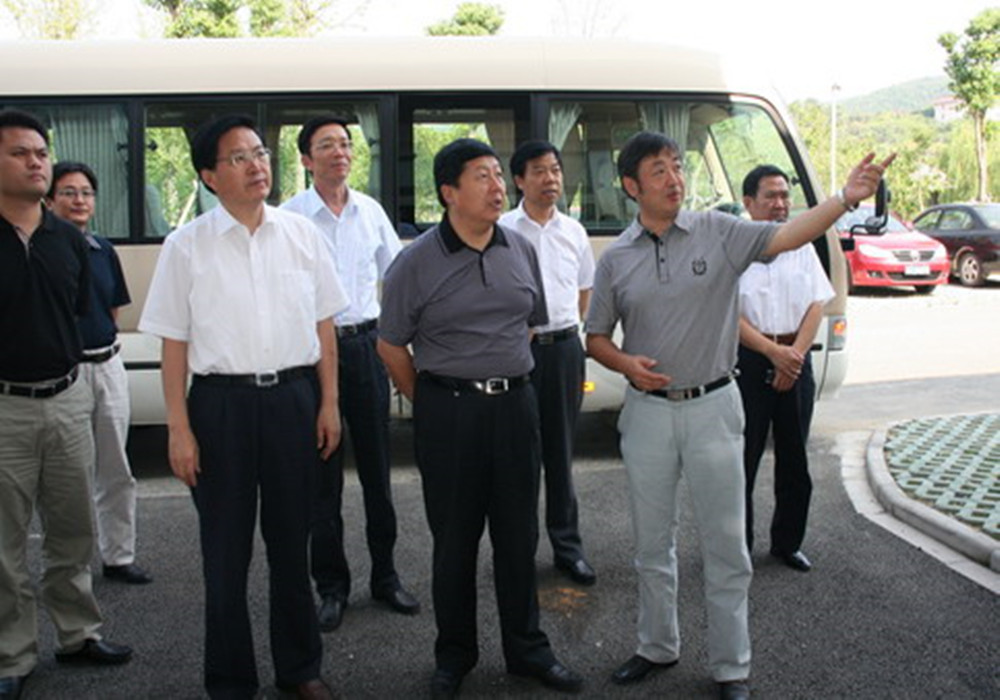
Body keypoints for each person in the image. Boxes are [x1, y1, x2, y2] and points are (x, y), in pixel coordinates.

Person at [585, 131, 892, 700]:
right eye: (658, 170)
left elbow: (788, 234)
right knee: (652, 545)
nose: (674, 178)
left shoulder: (718, 231)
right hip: (648, 415)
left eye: (677, 166)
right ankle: (657, 645)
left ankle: (732, 666)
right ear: (631, 186)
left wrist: (844, 199)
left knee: (726, 546)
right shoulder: (618, 259)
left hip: (714, 407)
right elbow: (595, 337)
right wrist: (626, 364)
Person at [139, 114, 347, 700]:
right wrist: (178, 428)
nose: (257, 165)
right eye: (239, 157)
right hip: (220, 408)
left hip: (292, 401)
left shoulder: (302, 234)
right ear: (209, 176)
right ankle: (231, 681)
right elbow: (174, 345)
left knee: (291, 546)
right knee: (225, 555)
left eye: (259, 153)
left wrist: (329, 403)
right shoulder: (186, 246)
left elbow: (324, 325)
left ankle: (300, 669)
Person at [377, 139, 584, 698]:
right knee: (455, 542)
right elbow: (391, 344)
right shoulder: (415, 262)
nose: (497, 187)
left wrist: (501, 378)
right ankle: (454, 657)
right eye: (482, 177)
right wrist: (433, 401)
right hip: (450, 413)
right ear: (449, 192)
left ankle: (528, 650)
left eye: (498, 175)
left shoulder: (520, 248)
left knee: (519, 538)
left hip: (516, 407)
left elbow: (530, 325)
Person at [0, 110, 133, 700]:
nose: (36, 162)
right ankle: (12, 654)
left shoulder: (69, 241)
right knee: (5, 543)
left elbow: (82, 311)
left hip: (68, 397)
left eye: (40, 153)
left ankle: (78, 633)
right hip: (6, 406)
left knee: (73, 528)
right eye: (20, 153)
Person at [282, 115, 417, 631]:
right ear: (306, 158)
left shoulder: (370, 212)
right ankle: (331, 587)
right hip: (313, 355)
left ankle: (386, 576)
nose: (339, 152)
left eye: (345, 144)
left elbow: (396, 277)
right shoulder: (290, 218)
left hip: (365, 347)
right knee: (323, 480)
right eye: (326, 145)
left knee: (379, 472)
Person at [45, 161, 153, 586]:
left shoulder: (103, 250)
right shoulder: (41, 250)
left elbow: (111, 311)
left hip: (107, 365)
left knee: (116, 467)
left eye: (86, 193)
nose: (79, 200)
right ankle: (69, 566)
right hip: (65, 373)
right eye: (68, 192)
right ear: (49, 200)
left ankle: (119, 556)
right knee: (67, 476)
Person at [498, 140, 597, 586]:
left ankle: (567, 549)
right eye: (539, 171)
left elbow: (584, 290)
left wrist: (566, 329)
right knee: (517, 456)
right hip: (518, 352)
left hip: (563, 351)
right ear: (519, 180)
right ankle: (517, 551)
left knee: (560, 452)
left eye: (555, 169)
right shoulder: (503, 229)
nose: (550, 178)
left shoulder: (573, 231)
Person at [737, 165, 835, 573]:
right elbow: (727, 314)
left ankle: (788, 543)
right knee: (742, 460)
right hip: (749, 360)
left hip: (796, 357)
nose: (780, 204)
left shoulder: (802, 245)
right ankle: (737, 548)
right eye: (770, 196)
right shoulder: (734, 247)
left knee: (795, 460)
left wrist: (793, 356)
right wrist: (771, 353)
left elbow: (817, 303)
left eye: (784, 196)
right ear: (749, 203)